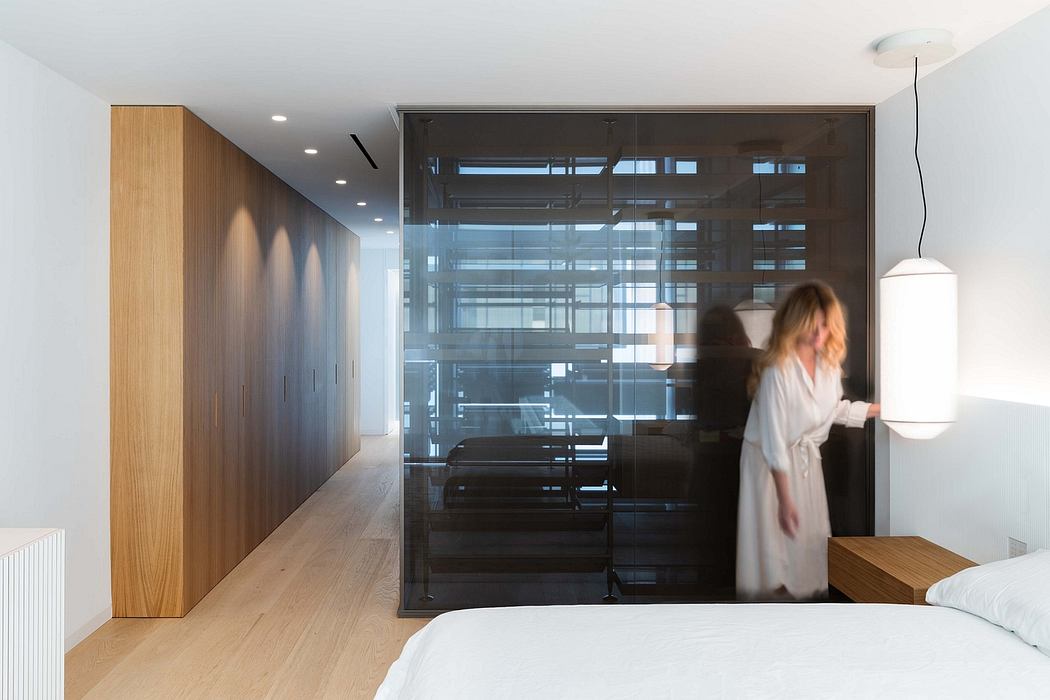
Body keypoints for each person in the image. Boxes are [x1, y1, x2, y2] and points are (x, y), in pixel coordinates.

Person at [735, 282, 879, 600]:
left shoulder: (827, 367)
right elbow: (773, 440)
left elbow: (832, 409)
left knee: (808, 545)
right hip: (769, 466)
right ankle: (770, 609)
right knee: (775, 551)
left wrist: (878, 410)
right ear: (796, 321)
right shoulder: (778, 371)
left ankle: (808, 607)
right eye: (812, 323)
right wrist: (785, 500)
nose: (819, 332)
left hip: (804, 461)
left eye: (825, 324)